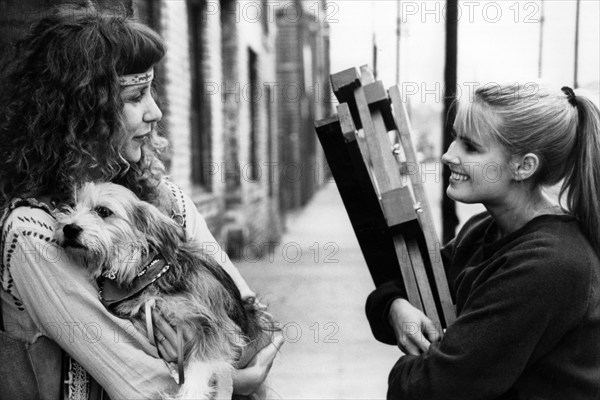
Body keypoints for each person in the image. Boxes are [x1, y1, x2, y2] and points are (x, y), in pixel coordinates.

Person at [0, 5, 282, 399]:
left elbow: (252, 324)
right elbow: (144, 387)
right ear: (83, 112)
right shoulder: (34, 233)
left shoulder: (164, 200)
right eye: (136, 96)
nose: (156, 111)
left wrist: (227, 366)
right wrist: (235, 379)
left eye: (153, 90)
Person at [366, 83, 600, 399]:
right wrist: (393, 307)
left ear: (524, 166)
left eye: (471, 147)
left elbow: (434, 387)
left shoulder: (550, 264)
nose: (448, 155)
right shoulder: (483, 228)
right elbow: (413, 287)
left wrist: (405, 367)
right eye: (454, 138)